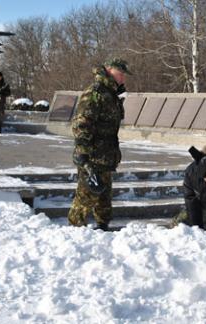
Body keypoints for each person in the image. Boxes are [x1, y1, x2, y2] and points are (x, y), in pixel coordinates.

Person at [67, 58, 131, 231]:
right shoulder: (95, 92)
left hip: (106, 156)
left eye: (124, 76)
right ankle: (74, 229)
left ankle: (103, 227)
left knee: (104, 197)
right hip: (92, 156)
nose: (123, 79)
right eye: (120, 74)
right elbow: (82, 123)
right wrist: (82, 151)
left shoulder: (110, 94)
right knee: (86, 196)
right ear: (109, 70)